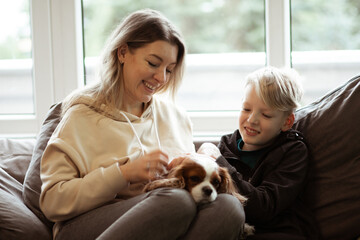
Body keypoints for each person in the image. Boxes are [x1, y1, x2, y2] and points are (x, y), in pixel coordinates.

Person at [39, 9, 245, 240]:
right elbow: (52, 202)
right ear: (123, 52)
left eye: (169, 69)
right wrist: (124, 173)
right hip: (87, 225)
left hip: (168, 218)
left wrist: (203, 157)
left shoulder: (175, 117)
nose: (162, 78)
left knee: (228, 208)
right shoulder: (81, 116)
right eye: (153, 63)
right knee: (175, 200)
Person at [195, 66, 319, 239]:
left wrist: (220, 162)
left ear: (287, 122)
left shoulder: (293, 152)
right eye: (246, 109)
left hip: (279, 232)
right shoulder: (227, 146)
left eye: (266, 115)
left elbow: (264, 207)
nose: (252, 120)